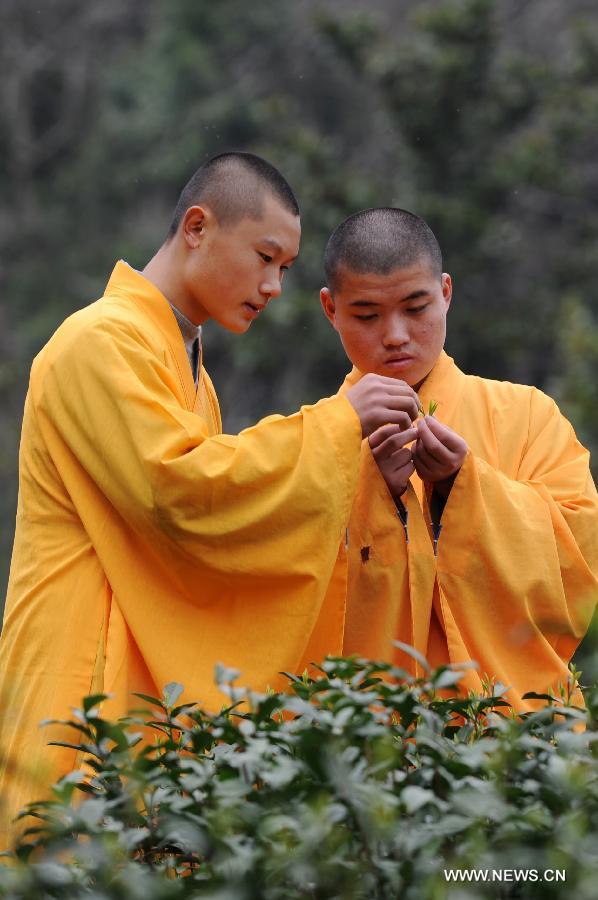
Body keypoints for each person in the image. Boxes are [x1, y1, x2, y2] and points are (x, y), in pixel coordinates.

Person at [0, 156, 420, 845]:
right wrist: (339, 424)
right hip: (76, 679)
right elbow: (182, 495)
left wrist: (364, 471)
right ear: (198, 227)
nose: (274, 286)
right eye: (265, 257)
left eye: (285, 268)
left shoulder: (187, 368)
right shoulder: (96, 343)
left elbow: (221, 529)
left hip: (137, 696)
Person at [319, 207, 598, 710]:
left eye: (416, 307)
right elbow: (276, 584)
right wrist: (364, 486)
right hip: (362, 739)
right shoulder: (310, 441)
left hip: (514, 728)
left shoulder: (528, 415)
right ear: (330, 310)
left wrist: (462, 486)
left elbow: (577, 562)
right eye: (366, 315)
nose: (396, 335)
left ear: (446, 293)